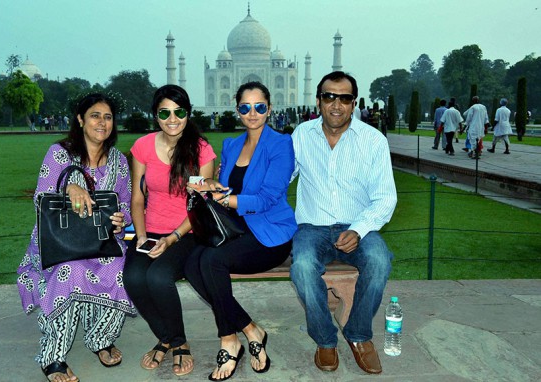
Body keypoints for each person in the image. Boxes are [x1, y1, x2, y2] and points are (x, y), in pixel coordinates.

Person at [17, 93, 135, 382]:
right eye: (95, 115)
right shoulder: (60, 153)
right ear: (81, 119)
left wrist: (121, 220)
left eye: (108, 117)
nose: (102, 122)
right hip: (62, 245)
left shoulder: (119, 161)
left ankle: (100, 338)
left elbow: (126, 206)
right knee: (71, 272)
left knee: (122, 270)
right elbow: (41, 200)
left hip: (101, 241)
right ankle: (53, 355)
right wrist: (69, 187)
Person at [184, 81, 297, 381]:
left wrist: (225, 197)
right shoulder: (232, 145)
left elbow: (267, 198)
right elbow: (225, 185)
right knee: (192, 263)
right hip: (235, 229)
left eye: (259, 107)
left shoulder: (280, 144)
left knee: (210, 261)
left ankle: (229, 340)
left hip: (270, 235)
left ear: (269, 109)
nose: (253, 113)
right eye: (245, 107)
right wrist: (205, 184)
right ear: (238, 111)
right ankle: (250, 329)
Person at [290, 71, 397, 375]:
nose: (336, 104)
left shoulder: (372, 140)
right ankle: (325, 339)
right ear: (319, 101)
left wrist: (359, 229)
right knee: (301, 266)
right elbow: (280, 176)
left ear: (354, 103)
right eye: (329, 96)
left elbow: (385, 198)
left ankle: (359, 335)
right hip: (313, 226)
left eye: (344, 98)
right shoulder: (302, 135)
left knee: (378, 260)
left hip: (358, 224)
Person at [123, 84, 216, 377]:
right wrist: (141, 237)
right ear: (155, 115)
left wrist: (172, 237)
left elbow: (201, 205)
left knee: (159, 276)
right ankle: (165, 335)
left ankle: (178, 343)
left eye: (179, 112)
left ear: (188, 113)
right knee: (134, 278)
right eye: (165, 112)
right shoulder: (143, 147)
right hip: (149, 229)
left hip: (187, 232)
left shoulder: (201, 150)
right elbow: (138, 198)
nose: (172, 118)